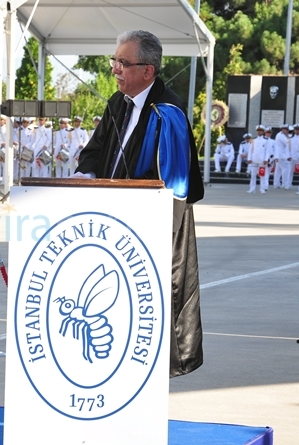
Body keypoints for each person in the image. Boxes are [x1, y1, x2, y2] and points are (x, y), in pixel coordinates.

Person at [75, 30, 204, 377]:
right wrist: (83, 180)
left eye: (123, 63)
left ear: (147, 71)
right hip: (110, 220)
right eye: (114, 61)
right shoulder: (117, 103)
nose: (115, 69)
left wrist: (150, 228)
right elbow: (93, 151)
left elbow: (174, 184)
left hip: (152, 229)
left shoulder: (168, 112)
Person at [247, 125, 269, 193]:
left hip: (262, 160)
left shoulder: (265, 140)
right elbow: (250, 150)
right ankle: (252, 189)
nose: (259, 132)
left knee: (262, 175)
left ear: (263, 132)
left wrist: (266, 159)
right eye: (258, 131)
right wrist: (249, 158)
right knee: (253, 175)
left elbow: (267, 151)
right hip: (254, 159)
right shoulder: (253, 140)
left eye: (261, 131)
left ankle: (262, 189)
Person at [274, 124, 292, 190]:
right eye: (286, 129)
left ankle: (276, 184)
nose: (287, 131)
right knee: (285, 169)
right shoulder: (281, 135)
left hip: (279, 155)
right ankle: (285, 184)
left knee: (278, 170)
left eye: (287, 130)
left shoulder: (280, 135)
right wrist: (289, 137)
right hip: (281, 155)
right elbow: (287, 142)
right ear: (282, 129)